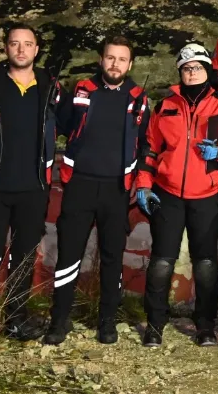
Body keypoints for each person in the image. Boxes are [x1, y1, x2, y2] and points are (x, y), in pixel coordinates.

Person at [43, 36, 149, 346]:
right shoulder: (81, 90)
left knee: (112, 258)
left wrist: (140, 181)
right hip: (80, 185)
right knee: (69, 255)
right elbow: (58, 124)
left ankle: (107, 322)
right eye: (110, 57)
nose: (115, 64)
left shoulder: (139, 98)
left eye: (122, 59)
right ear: (101, 60)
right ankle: (59, 320)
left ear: (130, 64)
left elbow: (146, 144)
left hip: (117, 189)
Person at [137, 43, 218, 348]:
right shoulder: (165, 107)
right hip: (167, 194)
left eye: (197, 68)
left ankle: (205, 326)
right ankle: (155, 324)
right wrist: (143, 184)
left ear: (207, 71)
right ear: (180, 73)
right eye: (186, 68)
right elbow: (150, 149)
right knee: (161, 262)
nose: (192, 73)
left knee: (206, 265)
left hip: (206, 196)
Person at [0, 24, 63, 341]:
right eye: (14, 43)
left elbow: (72, 125)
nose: (21, 49)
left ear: (37, 49)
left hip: (34, 187)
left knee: (23, 257)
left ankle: (16, 320)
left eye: (27, 44)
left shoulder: (51, 86)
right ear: (6, 48)